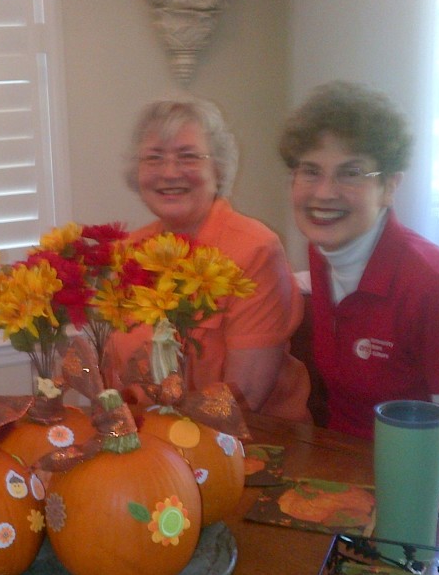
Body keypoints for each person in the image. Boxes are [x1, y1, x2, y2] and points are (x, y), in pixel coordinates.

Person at [278, 81, 439, 505]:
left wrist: (382, 499)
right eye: (310, 170)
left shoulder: (434, 292)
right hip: (343, 478)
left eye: (351, 172)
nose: (324, 192)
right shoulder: (326, 255)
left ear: (389, 186)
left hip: (432, 501)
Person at [106, 98, 311, 422]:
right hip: (151, 440)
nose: (169, 172)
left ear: (218, 168)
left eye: (188, 156)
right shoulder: (131, 252)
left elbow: (245, 397)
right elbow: (119, 377)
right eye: (154, 158)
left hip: (250, 445)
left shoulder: (254, 250)